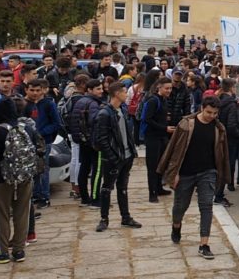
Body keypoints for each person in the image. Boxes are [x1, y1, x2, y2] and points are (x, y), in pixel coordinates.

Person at [158, 95, 230, 259]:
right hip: (185, 173)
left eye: (215, 113)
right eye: (209, 112)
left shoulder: (219, 129)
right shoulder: (186, 125)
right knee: (180, 207)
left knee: (206, 207)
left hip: (208, 172)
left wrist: (222, 173)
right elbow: (174, 150)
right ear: (201, 109)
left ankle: (204, 244)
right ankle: (176, 226)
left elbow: (222, 154)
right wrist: (173, 173)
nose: (211, 116)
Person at [0, 98, 40, 263]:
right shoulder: (27, 129)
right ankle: (19, 250)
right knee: (22, 214)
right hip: (25, 178)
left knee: (1, 216)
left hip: (2, 180)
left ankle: (1, 252)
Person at [93, 82, 142, 232]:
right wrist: (112, 157)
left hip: (126, 155)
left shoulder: (123, 110)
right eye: (124, 92)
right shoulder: (104, 114)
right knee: (107, 188)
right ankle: (104, 219)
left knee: (123, 187)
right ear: (116, 94)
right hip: (114, 158)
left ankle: (125, 217)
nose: (126, 95)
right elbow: (102, 139)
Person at [23, 79, 61, 211]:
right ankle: (34, 195)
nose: (35, 93)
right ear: (26, 90)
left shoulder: (48, 104)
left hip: (44, 141)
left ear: (43, 90)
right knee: (31, 169)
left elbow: (56, 123)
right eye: (32, 90)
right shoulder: (23, 104)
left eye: (37, 90)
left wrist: (41, 133)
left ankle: (44, 197)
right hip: (27, 142)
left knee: (43, 169)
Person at [69, 79, 105, 208]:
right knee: (97, 170)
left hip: (82, 141)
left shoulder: (80, 101)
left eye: (101, 88)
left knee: (84, 168)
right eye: (98, 89)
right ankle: (95, 199)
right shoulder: (93, 104)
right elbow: (94, 122)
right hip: (93, 142)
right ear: (89, 90)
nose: (101, 91)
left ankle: (84, 198)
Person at [141, 78, 174, 203]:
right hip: (152, 137)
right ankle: (152, 193)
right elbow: (147, 119)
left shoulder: (164, 100)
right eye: (167, 88)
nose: (169, 91)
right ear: (159, 88)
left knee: (162, 163)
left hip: (162, 136)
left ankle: (159, 188)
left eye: (170, 88)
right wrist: (165, 128)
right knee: (153, 166)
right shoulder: (153, 100)